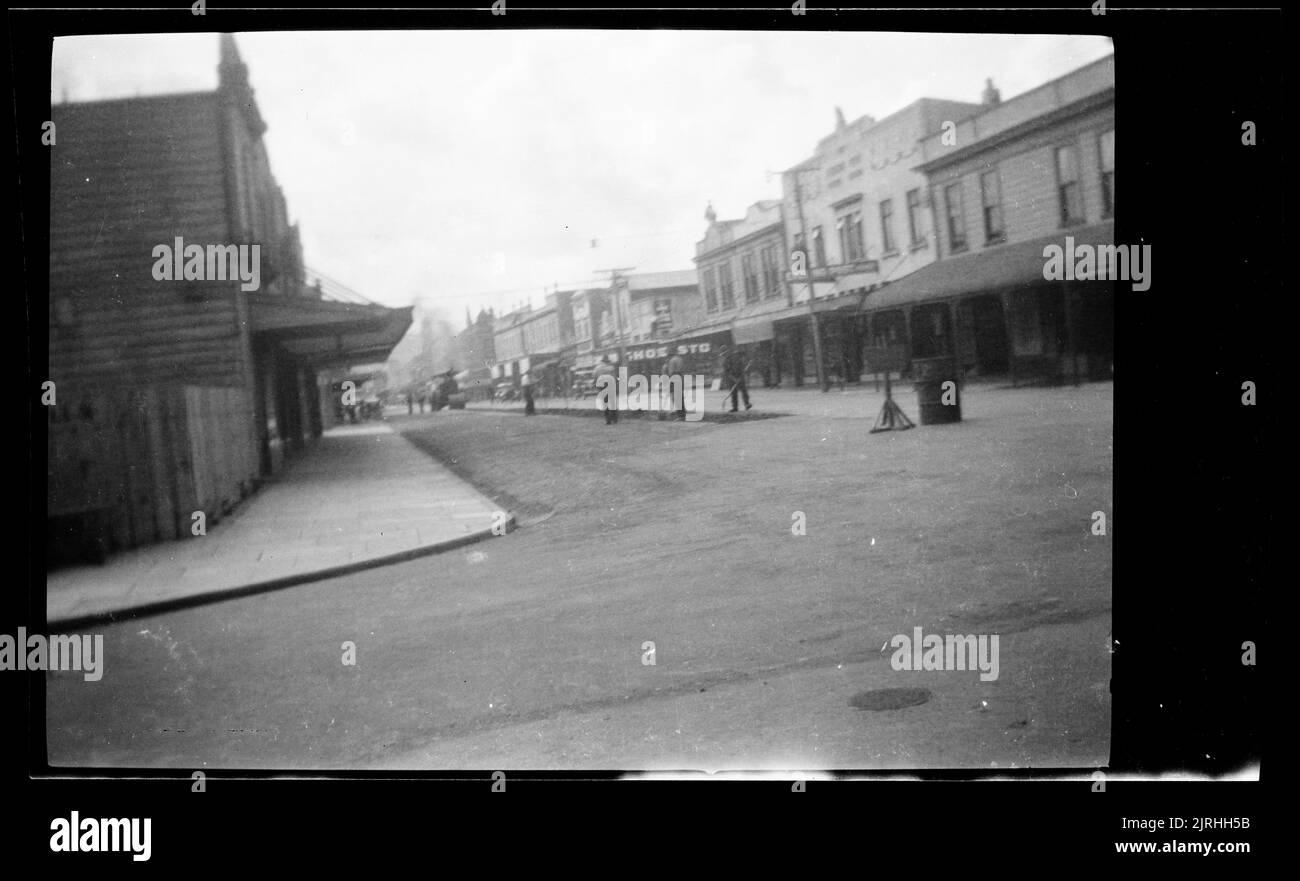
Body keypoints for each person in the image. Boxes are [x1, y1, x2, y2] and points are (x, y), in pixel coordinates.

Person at [721, 345, 752, 412]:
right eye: (724, 354)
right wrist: (734, 379)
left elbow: (741, 364)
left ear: (728, 352)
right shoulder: (725, 362)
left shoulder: (735, 356)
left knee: (744, 391)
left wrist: (743, 371)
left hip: (740, 375)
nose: (725, 354)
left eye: (726, 353)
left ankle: (747, 404)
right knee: (733, 393)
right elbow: (727, 372)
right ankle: (735, 407)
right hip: (731, 378)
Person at [593, 355, 618, 425]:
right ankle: (615, 419)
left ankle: (608, 420)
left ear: (602, 361)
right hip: (611, 386)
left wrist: (596, 386)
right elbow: (615, 378)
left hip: (602, 387)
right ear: (608, 361)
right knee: (612, 403)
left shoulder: (597, 368)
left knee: (605, 404)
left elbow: (594, 377)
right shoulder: (611, 368)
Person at [662, 350, 687, 421]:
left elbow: (671, 372)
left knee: (675, 397)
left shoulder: (672, 361)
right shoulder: (680, 359)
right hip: (680, 377)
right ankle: (682, 414)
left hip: (674, 378)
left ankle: (681, 415)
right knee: (680, 397)